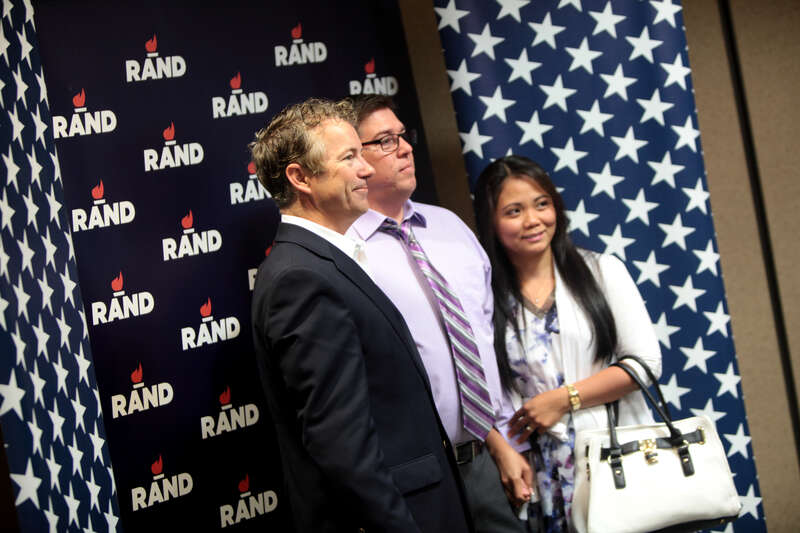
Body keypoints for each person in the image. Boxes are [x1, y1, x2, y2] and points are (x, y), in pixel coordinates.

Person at [249, 98, 473, 533]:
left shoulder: (324, 262)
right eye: (350, 157)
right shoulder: (301, 278)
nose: (367, 169)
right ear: (300, 178)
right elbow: (343, 446)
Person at [346, 96, 537, 533]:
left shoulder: (449, 227)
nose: (406, 148)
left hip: (485, 460)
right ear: (354, 160)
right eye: (386, 141)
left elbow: (477, 351)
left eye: (404, 136)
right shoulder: (346, 254)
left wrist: (501, 443)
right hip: (412, 480)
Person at [472, 155, 662, 532]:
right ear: (491, 222)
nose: (533, 220)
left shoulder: (601, 270)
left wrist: (562, 399)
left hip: (617, 463)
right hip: (541, 476)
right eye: (514, 211)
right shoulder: (484, 297)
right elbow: (477, 390)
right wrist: (503, 450)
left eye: (542, 204)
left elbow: (644, 364)